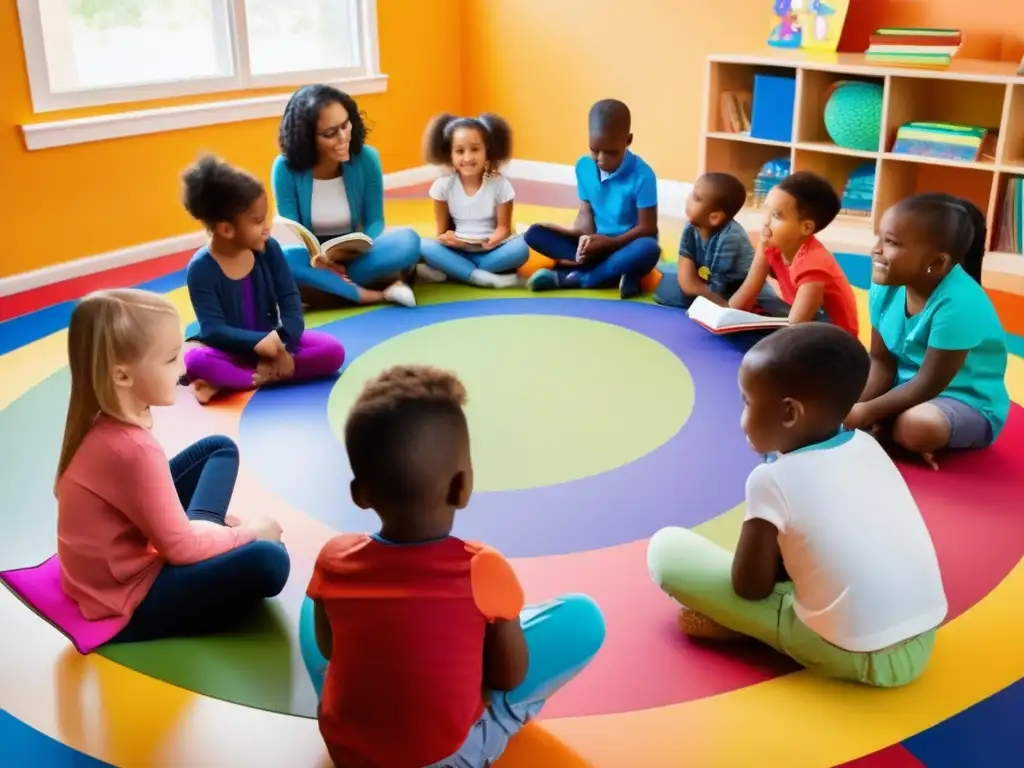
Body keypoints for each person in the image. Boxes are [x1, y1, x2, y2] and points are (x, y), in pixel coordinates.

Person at [300, 365, 606, 767]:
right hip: (446, 758)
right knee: (583, 619)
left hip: (348, 752)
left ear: (360, 494)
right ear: (462, 486)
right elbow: (508, 678)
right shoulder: (483, 567)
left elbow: (328, 648)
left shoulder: (334, 558)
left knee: (314, 603)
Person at [647, 323, 947, 688]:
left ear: (789, 413)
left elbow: (750, 587)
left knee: (666, 551)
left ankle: (760, 630)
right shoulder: (868, 447)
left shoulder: (771, 480)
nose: (741, 416)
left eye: (747, 402)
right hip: (923, 633)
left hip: (855, 652)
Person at [56, 289, 290, 644]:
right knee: (271, 558)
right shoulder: (132, 448)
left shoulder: (97, 419)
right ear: (122, 376)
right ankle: (209, 534)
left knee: (218, 449)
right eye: (169, 360)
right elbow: (178, 550)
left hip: (107, 572)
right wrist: (250, 534)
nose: (183, 370)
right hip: (126, 600)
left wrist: (201, 535)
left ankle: (204, 530)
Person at [844, 194, 1009, 468]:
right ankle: (887, 427)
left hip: (963, 399)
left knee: (916, 426)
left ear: (936, 263)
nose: (876, 250)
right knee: (832, 389)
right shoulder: (885, 283)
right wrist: (852, 406)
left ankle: (893, 429)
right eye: (879, 238)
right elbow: (881, 362)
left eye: (891, 243)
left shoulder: (960, 304)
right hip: (904, 387)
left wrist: (866, 412)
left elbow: (929, 382)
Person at [181, 156, 347, 404]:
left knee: (333, 352)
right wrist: (258, 344)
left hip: (275, 342)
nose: (267, 228)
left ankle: (232, 381)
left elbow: (290, 301)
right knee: (196, 360)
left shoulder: (269, 249)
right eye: (258, 222)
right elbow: (213, 330)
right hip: (232, 350)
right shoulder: (201, 269)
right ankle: (250, 374)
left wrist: (280, 343)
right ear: (227, 229)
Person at [272, 84, 420, 308]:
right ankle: (379, 291)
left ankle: (327, 290)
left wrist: (360, 245)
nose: (343, 137)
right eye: (330, 133)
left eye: (345, 125)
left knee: (408, 241)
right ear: (306, 138)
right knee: (275, 260)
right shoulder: (285, 168)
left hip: (357, 255)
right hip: (313, 260)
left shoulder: (367, 158)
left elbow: (375, 221)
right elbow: (291, 229)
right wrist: (321, 260)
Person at [523, 99, 661, 298]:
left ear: (628, 140)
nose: (601, 159)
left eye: (611, 152)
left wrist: (609, 243)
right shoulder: (583, 167)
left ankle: (579, 278)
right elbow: (586, 212)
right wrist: (578, 239)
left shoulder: (644, 175)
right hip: (596, 244)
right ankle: (618, 273)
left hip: (626, 244)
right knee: (534, 233)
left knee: (649, 248)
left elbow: (648, 228)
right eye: (595, 150)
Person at [728, 171, 859, 337]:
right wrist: (724, 318)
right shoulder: (770, 245)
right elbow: (748, 291)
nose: (765, 221)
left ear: (806, 228)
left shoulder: (813, 264)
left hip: (835, 341)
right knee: (757, 303)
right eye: (766, 211)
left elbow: (794, 330)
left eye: (776, 215)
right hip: (801, 321)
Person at [418, 113, 529, 288]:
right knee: (422, 246)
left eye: (475, 149)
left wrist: (492, 240)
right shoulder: (442, 186)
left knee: (522, 248)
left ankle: (456, 272)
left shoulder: (500, 185)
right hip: (458, 251)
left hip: (489, 252)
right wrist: (453, 239)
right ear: (451, 154)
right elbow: (441, 233)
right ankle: (478, 276)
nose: (468, 158)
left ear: (487, 150)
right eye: (460, 151)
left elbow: (503, 228)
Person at [653, 172, 754, 309]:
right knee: (664, 287)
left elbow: (720, 289)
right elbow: (686, 280)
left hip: (734, 289)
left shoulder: (730, 238)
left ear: (714, 217)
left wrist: (722, 305)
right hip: (707, 285)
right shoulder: (690, 228)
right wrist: (693, 286)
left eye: (696, 198)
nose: (687, 199)